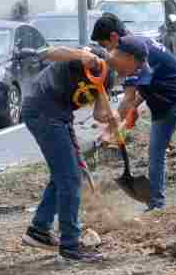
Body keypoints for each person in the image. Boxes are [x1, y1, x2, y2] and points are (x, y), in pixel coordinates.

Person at [20, 41, 119, 262]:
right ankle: (71, 246)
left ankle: (39, 230)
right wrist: (81, 55)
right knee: (70, 178)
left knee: (64, 175)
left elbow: (98, 114)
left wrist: (111, 118)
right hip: (43, 110)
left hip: (61, 116)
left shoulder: (108, 78)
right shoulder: (80, 58)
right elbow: (45, 52)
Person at [108, 36, 176, 206]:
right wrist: (131, 111)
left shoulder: (148, 65)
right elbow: (138, 96)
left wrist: (111, 130)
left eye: (120, 58)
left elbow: (129, 98)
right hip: (161, 107)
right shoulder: (132, 67)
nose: (119, 66)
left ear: (130, 57)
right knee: (155, 153)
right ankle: (157, 203)